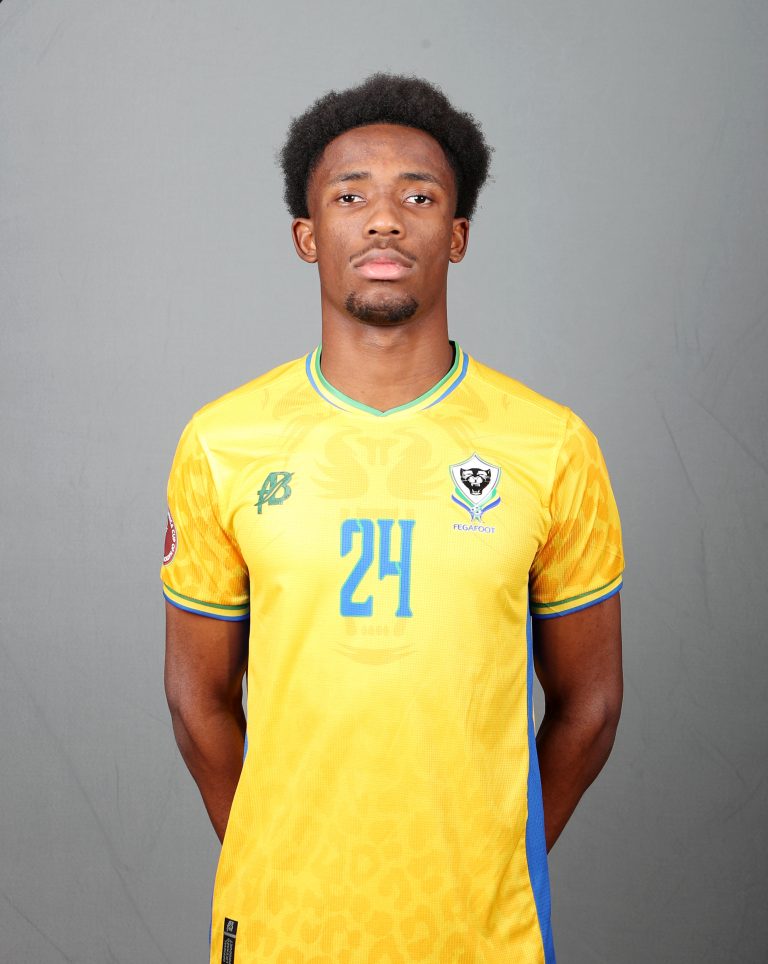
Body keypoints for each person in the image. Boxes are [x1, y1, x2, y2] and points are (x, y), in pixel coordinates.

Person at [161, 73, 624, 964]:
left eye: (418, 195)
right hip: (280, 928)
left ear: (455, 236)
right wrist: (276, 852)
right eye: (349, 196)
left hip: (479, 934)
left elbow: (590, 705)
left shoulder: (550, 445)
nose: (384, 219)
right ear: (308, 237)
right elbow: (197, 701)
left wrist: (499, 859)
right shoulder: (223, 442)